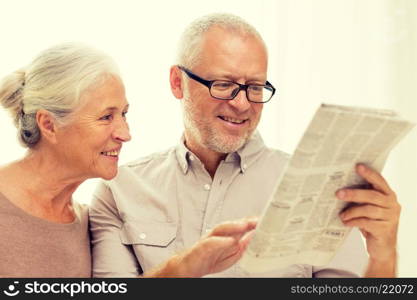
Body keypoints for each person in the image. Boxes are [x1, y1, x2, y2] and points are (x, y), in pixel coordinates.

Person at [89, 13, 400, 277]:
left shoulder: (322, 189)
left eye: (254, 87)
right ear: (177, 82)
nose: (241, 103)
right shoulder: (119, 190)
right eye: (223, 85)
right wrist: (184, 269)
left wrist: (383, 255)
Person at [0, 43, 257, 278]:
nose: (125, 134)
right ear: (49, 125)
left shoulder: (84, 221)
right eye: (106, 117)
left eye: (123, 114)